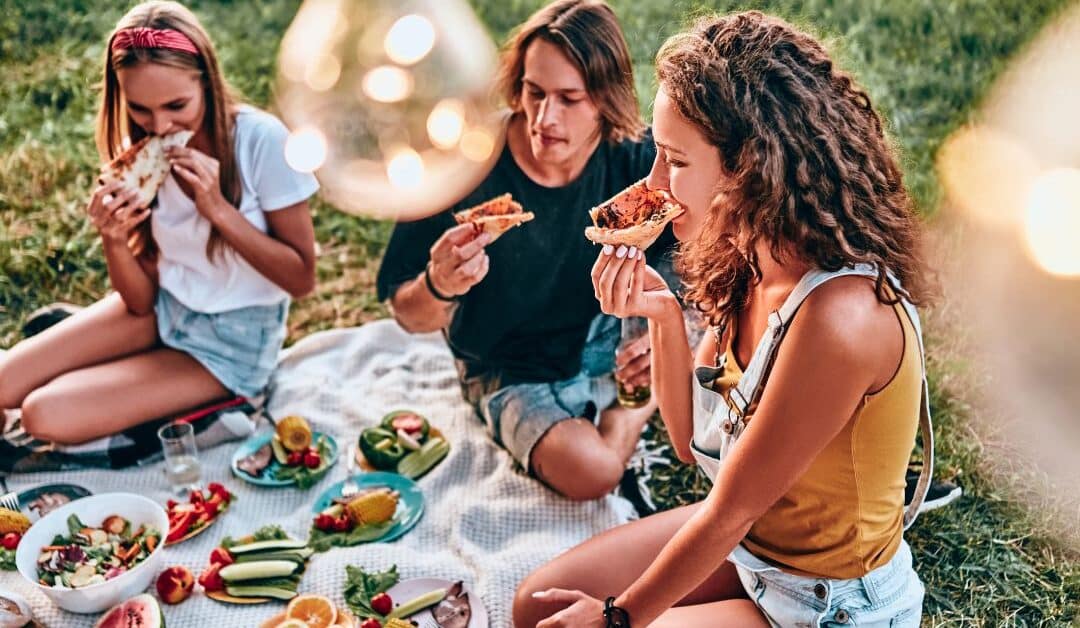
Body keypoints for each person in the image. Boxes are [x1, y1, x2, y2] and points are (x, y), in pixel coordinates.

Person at [515, 11, 935, 627]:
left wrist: (615, 618)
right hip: (748, 549)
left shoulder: (841, 318)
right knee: (535, 607)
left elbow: (730, 508)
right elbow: (693, 445)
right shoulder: (749, 252)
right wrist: (660, 311)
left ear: (750, 169)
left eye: (674, 162)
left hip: (825, 604)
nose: (653, 184)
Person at [376, 0, 673, 501]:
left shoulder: (636, 159)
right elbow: (407, 313)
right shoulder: (462, 161)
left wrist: (667, 331)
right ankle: (639, 408)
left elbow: (696, 257)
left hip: (605, 332)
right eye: (534, 93)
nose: (544, 118)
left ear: (605, 99)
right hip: (509, 363)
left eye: (568, 99)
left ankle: (644, 388)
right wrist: (439, 284)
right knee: (594, 473)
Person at [0, 0, 318, 446]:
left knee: (42, 414)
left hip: (231, 342)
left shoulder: (261, 143)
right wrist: (113, 239)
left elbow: (302, 278)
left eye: (176, 105)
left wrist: (218, 211)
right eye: (141, 109)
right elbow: (140, 299)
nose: (161, 125)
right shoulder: (141, 152)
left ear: (206, 80)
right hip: (163, 307)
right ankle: (122, 371)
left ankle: (224, 408)